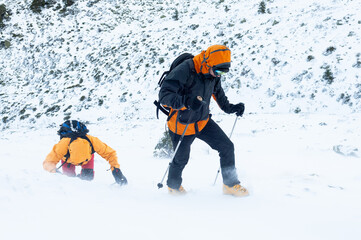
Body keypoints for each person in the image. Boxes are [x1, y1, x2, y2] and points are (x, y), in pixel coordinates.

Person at [158, 45, 248, 197]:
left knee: (227, 147)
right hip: (182, 124)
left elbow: (218, 94)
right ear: (208, 63)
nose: (219, 75)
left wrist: (231, 108)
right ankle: (173, 187)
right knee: (180, 159)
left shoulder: (213, 74)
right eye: (218, 71)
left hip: (202, 121)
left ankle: (230, 184)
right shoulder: (185, 70)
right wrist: (186, 102)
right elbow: (164, 96)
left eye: (223, 72)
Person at [43, 120, 127, 185]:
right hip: (71, 160)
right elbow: (48, 162)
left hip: (82, 159)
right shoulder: (65, 143)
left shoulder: (91, 141)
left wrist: (116, 169)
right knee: (70, 180)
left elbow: (110, 153)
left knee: (84, 180)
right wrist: (54, 171)